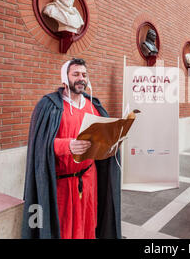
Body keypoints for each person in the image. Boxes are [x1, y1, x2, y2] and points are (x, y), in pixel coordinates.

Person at [22, 58, 121, 239]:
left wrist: (113, 141)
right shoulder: (48, 106)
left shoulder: (94, 107)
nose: (81, 78)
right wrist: (67, 145)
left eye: (84, 75)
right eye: (75, 74)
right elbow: (39, 145)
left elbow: (103, 140)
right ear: (64, 78)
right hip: (61, 185)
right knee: (63, 228)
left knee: (88, 225)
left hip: (89, 180)